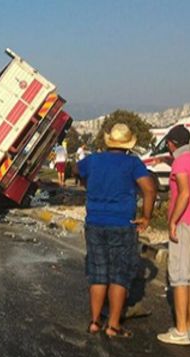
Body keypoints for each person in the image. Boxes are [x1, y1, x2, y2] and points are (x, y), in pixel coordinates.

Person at [78, 123, 156, 338]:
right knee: (119, 275)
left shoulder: (93, 160)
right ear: (128, 145)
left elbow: (78, 170)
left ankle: (95, 322)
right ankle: (113, 325)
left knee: (98, 274)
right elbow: (149, 188)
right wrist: (146, 216)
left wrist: (90, 185)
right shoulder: (132, 163)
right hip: (122, 223)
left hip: (95, 222)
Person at [157, 125, 190, 346]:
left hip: (185, 223)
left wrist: (172, 222)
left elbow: (184, 193)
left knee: (179, 278)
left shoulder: (180, 163)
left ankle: (180, 331)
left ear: (171, 143)